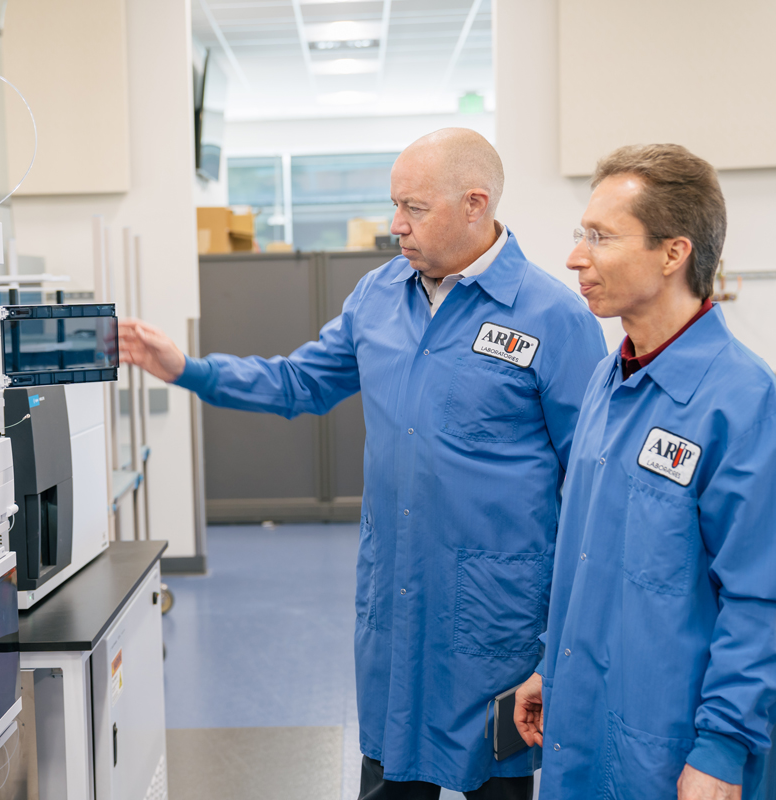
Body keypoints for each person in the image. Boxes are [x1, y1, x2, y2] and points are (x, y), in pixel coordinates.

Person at [120, 128, 607, 799]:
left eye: (413, 207)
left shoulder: (553, 316)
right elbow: (299, 384)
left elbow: (590, 487)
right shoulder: (379, 298)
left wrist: (560, 644)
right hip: (398, 601)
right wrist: (189, 371)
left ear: (475, 204)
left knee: (498, 784)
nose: (395, 225)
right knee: (390, 774)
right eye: (394, 205)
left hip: (499, 620)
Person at [513, 144, 776, 800]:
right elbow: (592, 559)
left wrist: (721, 748)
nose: (575, 257)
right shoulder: (608, 380)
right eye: (580, 235)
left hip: (679, 755)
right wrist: (553, 668)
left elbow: (766, 599)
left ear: (673, 252)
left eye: (599, 237)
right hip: (587, 732)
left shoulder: (740, 401)